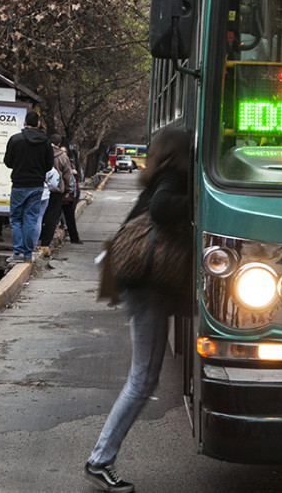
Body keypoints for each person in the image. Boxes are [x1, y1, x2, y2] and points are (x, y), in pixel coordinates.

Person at [84, 127, 192, 493]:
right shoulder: (175, 178)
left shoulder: (158, 177)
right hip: (149, 291)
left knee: (144, 379)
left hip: (143, 289)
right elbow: (162, 211)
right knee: (142, 380)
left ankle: (101, 458)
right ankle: (100, 460)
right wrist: (200, 201)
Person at [3, 111, 53, 264]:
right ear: (38, 124)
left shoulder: (15, 140)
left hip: (19, 185)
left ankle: (17, 252)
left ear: (25, 123)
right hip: (37, 185)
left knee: (16, 219)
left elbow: (8, 162)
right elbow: (49, 165)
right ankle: (27, 253)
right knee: (30, 218)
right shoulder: (45, 142)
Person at [37, 134, 74, 252]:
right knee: (52, 217)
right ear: (59, 144)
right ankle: (45, 242)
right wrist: (68, 189)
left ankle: (36, 237)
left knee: (39, 215)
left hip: (41, 188)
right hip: (57, 191)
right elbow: (67, 174)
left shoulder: (41, 152)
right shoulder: (63, 157)